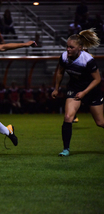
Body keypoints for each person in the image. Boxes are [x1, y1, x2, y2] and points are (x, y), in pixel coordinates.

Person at [51, 28, 104, 157]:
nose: (68, 49)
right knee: (68, 117)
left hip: (91, 91)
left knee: (100, 123)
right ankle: (66, 149)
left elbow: (97, 79)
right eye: (67, 46)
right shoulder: (64, 57)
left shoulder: (88, 60)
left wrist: (85, 93)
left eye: (71, 47)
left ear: (80, 47)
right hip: (74, 89)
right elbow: (60, 72)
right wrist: (56, 88)